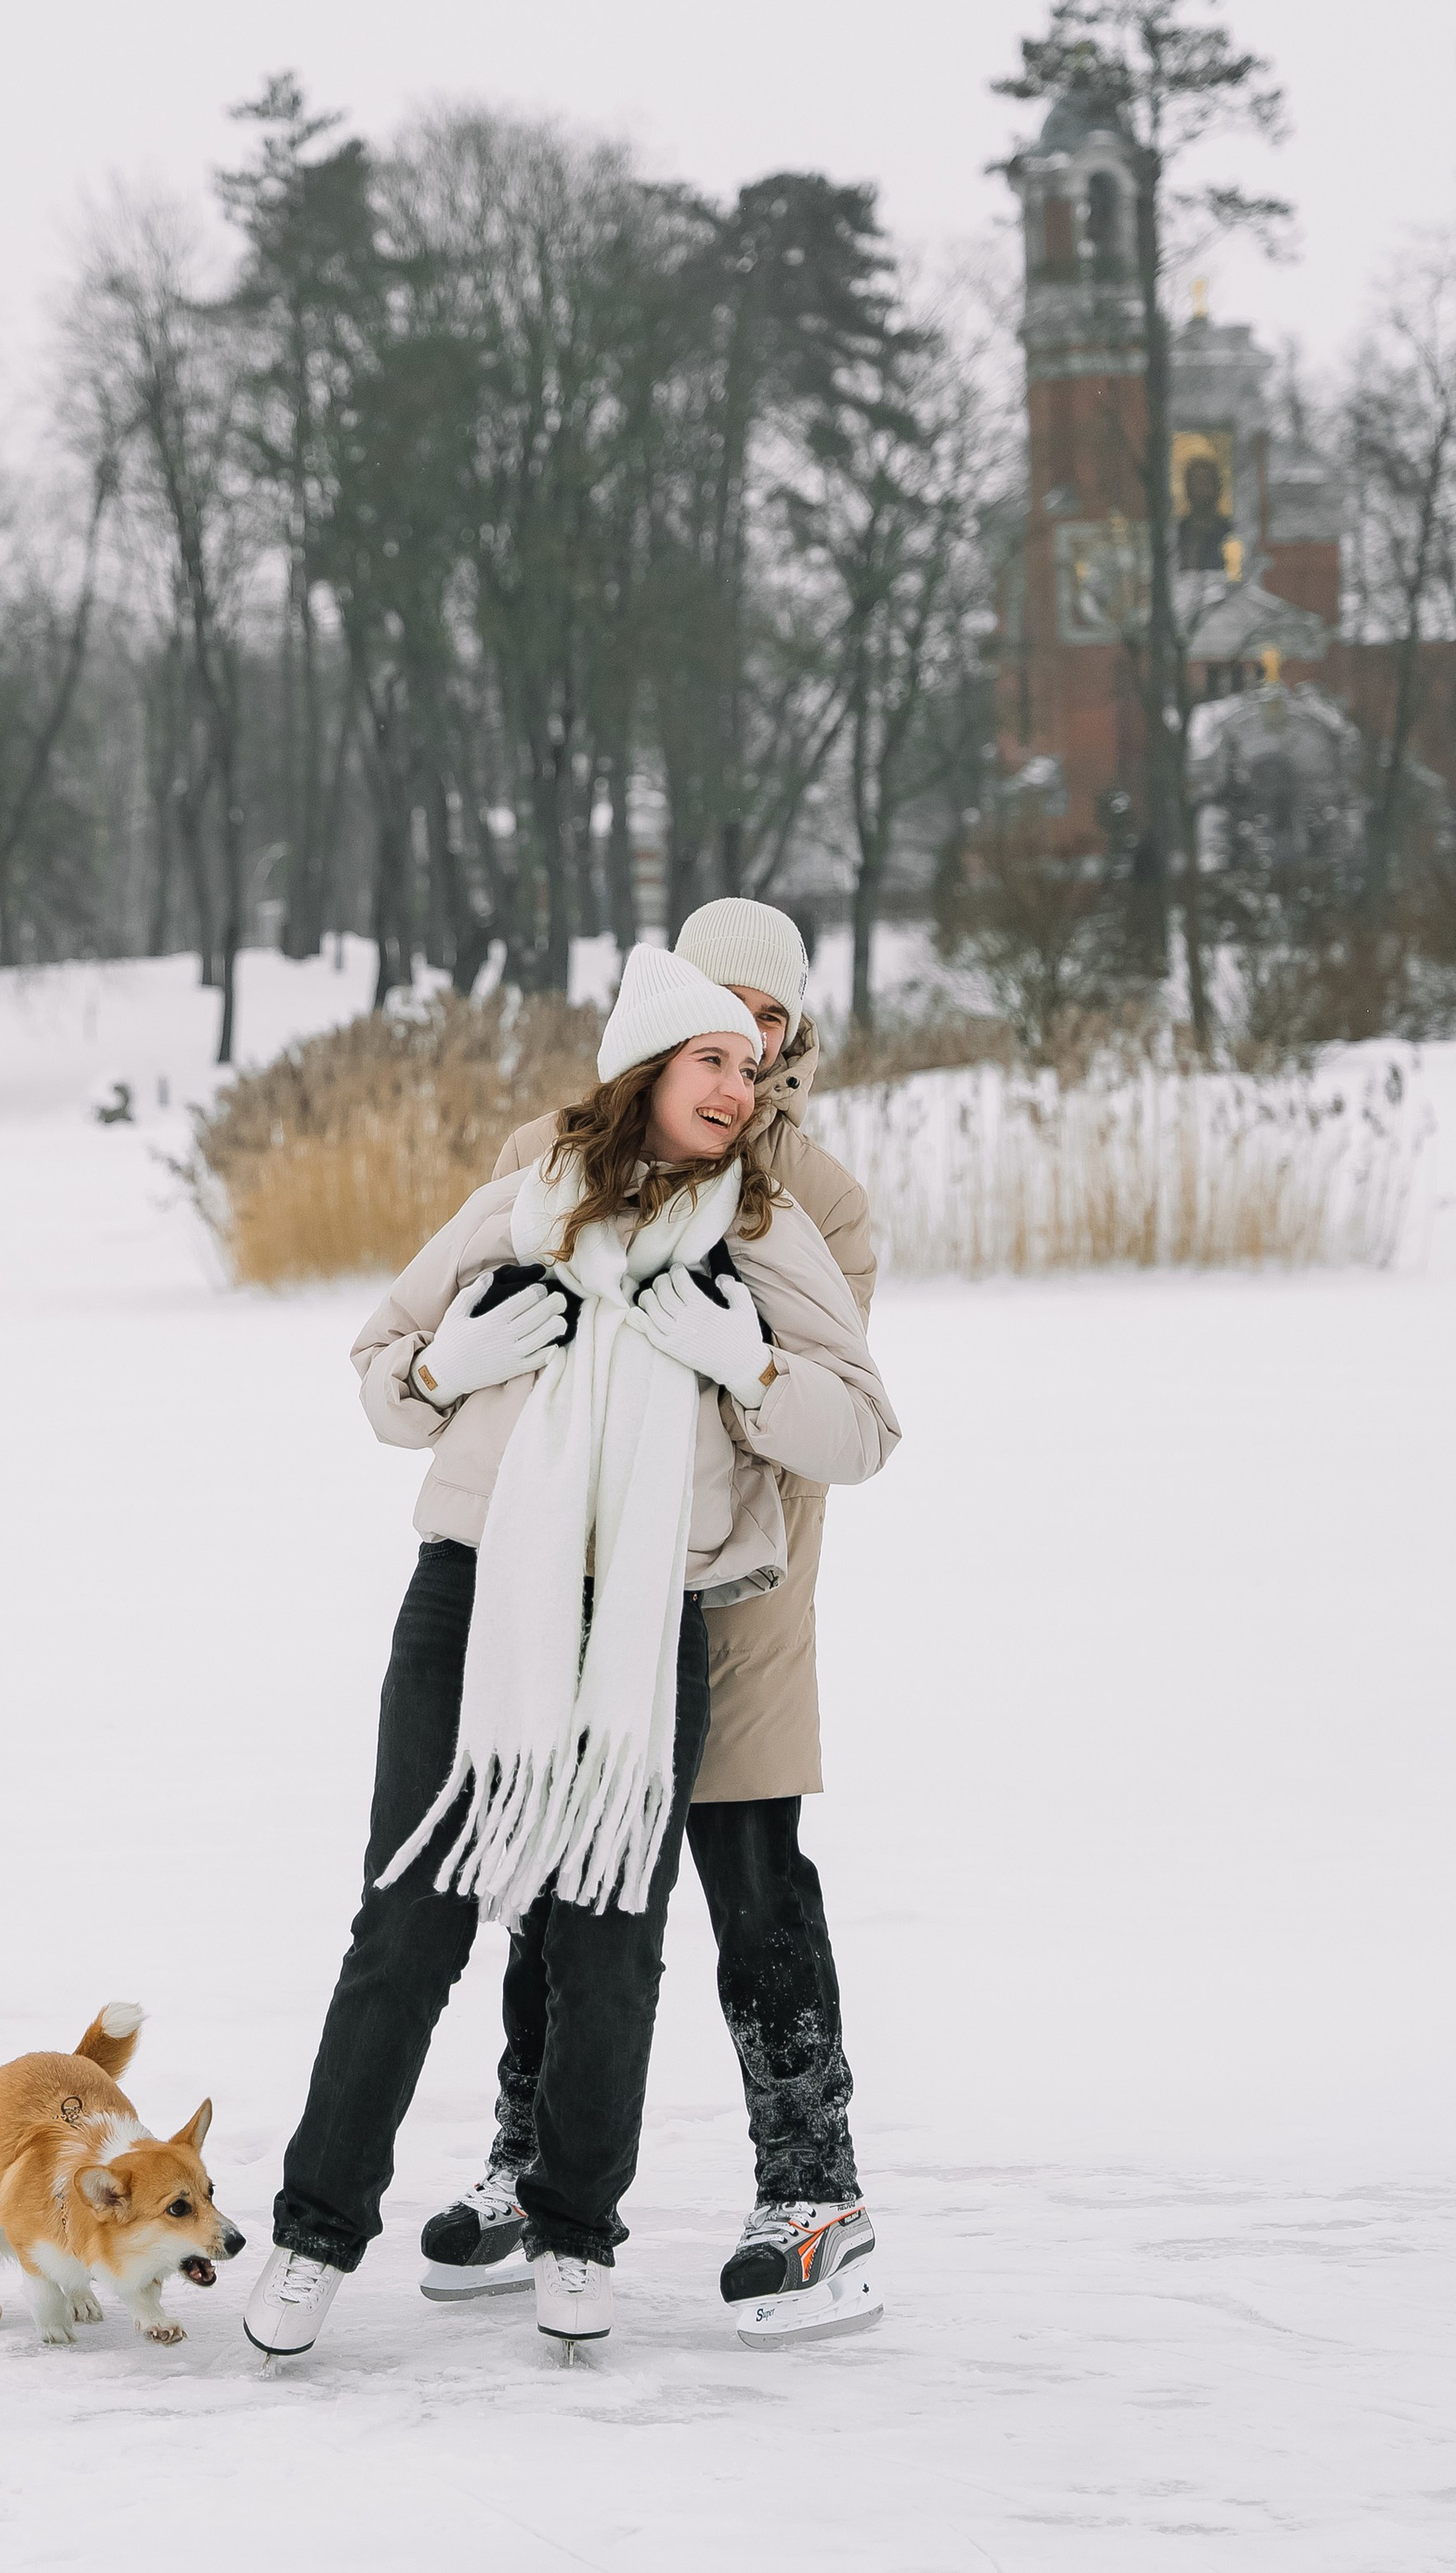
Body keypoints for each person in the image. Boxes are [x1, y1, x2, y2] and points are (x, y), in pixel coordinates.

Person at [243, 943, 897, 2362]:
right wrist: (445, 1369)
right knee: (409, 1922)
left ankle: (576, 2231)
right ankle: (312, 2234)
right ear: (645, 1066)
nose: (740, 1085)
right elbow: (382, 1372)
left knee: (611, 1935)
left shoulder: (768, 1223)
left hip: (652, 1613)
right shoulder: (519, 1204)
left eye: (756, 1063)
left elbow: (862, 1429)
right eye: (711, 1057)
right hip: (474, 1596)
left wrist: (750, 1364)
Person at [420, 895, 892, 2345]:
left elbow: (837, 1415)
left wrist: (739, 1365)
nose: (743, 1045)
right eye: (717, 1013)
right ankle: (531, 2160)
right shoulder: (547, 1153)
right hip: (569, 1578)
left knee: (755, 1883)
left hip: (735, 1586)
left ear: (791, 1037)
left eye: (768, 1021)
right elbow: (489, 1352)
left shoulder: (814, 1197)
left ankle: (813, 2188)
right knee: (560, 1866)